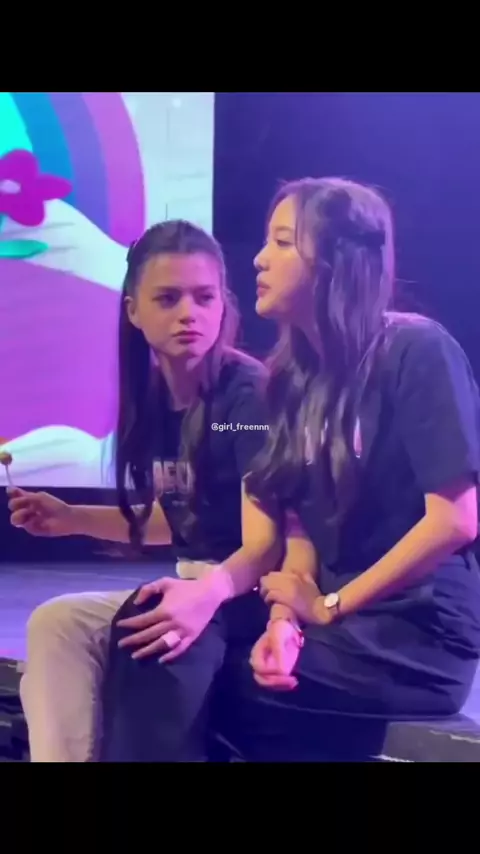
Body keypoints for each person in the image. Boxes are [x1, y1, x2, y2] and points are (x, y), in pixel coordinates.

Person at [101, 177, 480, 762]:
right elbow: (300, 528)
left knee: (194, 669)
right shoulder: (294, 378)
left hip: (411, 633)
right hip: (329, 621)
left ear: (333, 261)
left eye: (281, 242)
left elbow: (454, 520)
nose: (258, 259)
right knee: (163, 637)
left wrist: (325, 607)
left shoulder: (415, 350)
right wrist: (284, 621)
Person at [9, 219, 301, 762]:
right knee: (56, 623)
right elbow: (181, 517)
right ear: (133, 311)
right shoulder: (155, 399)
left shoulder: (245, 403)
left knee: (146, 644)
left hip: (245, 595)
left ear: (223, 304)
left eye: (204, 297)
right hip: (194, 587)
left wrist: (205, 593)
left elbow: (267, 544)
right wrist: (70, 517)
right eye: (167, 299)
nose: (189, 313)